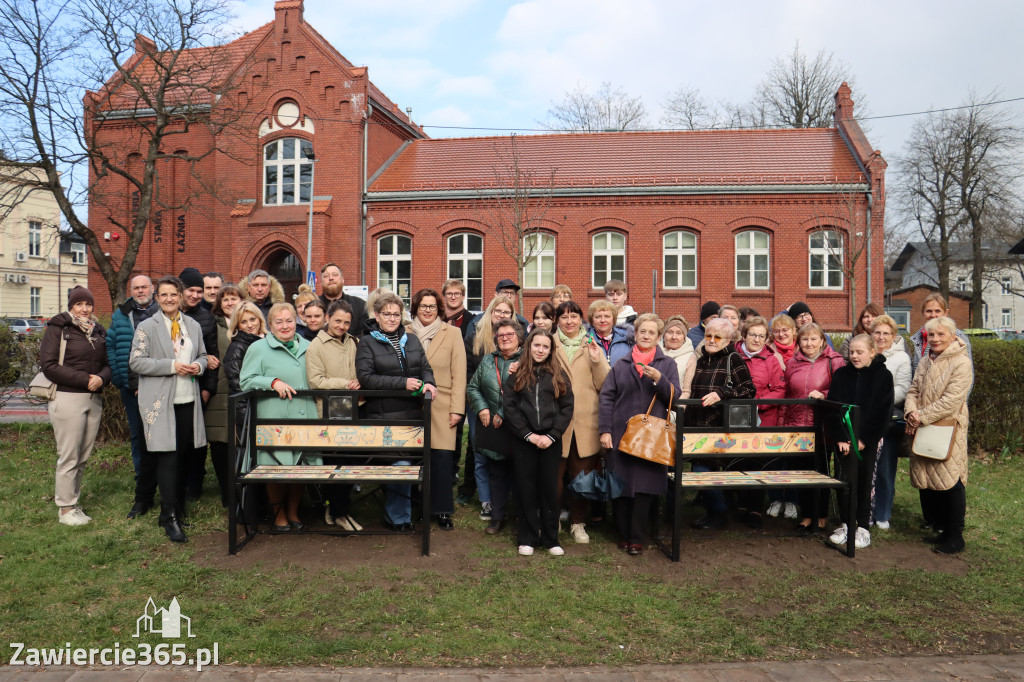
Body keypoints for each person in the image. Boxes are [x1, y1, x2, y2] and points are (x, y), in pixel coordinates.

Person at [129, 276, 209, 543]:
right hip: (160, 402)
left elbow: (202, 355)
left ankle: (175, 508)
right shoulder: (147, 327)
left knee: (184, 454)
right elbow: (137, 362)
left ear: (181, 296)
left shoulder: (193, 325)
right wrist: (170, 366)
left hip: (187, 398)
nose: (169, 299)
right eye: (163, 295)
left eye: (174, 294)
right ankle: (169, 514)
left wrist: (199, 366)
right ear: (157, 297)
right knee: (168, 457)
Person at [599, 314, 681, 556]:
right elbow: (606, 399)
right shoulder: (621, 364)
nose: (646, 336)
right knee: (621, 487)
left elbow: (675, 399)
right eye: (642, 331)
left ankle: (637, 537)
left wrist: (660, 380)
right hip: (621, 434)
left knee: (644, 489)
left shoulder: (667, 365)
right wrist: (605, 430)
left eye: (652, 333)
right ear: (635, 334)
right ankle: (623, 534)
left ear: (659, 337)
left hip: (651, 439)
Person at [355, 293, 437, 531]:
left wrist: (429, 382)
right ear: (377, 316)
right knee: (399, 464)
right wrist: (402, 384)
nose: (392, 319)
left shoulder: (411, 340)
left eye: (396, 314)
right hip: (383, 417)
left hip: (412, 415)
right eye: (386, 314)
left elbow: (425, 367)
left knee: (410, 465)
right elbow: (366, 378)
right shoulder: (367, 342)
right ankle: (397, 518)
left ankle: (403, 516)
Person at [240, 303, 318, 530]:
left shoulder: (309, 346)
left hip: (305, 415)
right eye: (279, 322)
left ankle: (294, 512)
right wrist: (271, 382)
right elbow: (246, 379)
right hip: (274, 417)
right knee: (276, 467)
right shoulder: (258, 348)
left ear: (297, 321)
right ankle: (279, 514)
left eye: (289, 320)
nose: (285, 326)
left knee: (301, 467)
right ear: (270, 325)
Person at [40, 286, 111, 526]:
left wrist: (101, 377)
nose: (84, 309)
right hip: (68, 397)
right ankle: (64, 509)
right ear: (71, 306)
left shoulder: (98, 330)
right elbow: (49, 365)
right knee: (69, 455)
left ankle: (73, 503)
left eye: (88, 304)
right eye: (79, 304)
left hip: (93, 398)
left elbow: (107, 363)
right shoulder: (58, 328)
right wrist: (85, 379)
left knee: (82, 455)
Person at [504, 328, 575, 556]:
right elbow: (510, 407)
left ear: (551, 350)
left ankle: (551, 538)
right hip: (525, 441)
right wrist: (528, 434)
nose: (541, 350)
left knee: (548, 489)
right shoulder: (516, 373)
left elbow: (567, 408)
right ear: (529, 347)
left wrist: (551, 435)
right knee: (526, 488)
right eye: (537, 346)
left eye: (545, 347)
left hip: (550, 441)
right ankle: (527, 537)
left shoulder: (559, 375)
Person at [905, 316, 973, 554]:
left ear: (953, 337)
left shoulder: (961, 363)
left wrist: (920, 415)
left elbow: (952, 401)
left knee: (951, 478)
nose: (935, 339)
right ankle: (941, 528)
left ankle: (956, 536)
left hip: (949, 427)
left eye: (940, 334)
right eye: (931, 335)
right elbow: (913, 389)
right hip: (923, 425)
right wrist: (911, 411)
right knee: (930, 475)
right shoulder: (925, 361)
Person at [686, 317, 756, 530]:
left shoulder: (733, 359)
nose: (712, 340)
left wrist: (722, 393)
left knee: (703, 471)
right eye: (709, 335)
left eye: (718, 337)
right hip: (698, 425)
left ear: (727, 341)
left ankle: (719, 513)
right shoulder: (700, 359)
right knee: (701, 470)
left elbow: (749, 389)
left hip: (721, 427)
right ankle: (714, 512)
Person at [825, 334, 894, 550]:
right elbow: (833, 407)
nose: (854, 356)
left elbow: (882, 412)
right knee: (843, 481)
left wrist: (864, 439)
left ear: (872, 352)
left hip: (867, 442)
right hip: (844, 442)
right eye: (851, 352)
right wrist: (840, 438)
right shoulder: (841, 375)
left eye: (860, 352)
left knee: (865, 483)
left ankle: (863, 526)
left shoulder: (883, 376)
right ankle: (846, 523)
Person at [552, 300, 611, 544]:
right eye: (564, 317)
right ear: (557, 320)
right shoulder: (549, 343)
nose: (569, 321)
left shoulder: (591, 345)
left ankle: (578, 523)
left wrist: (597, 359)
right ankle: (551, 518)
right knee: (553, 476)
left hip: (585, 422)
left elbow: (606, 384)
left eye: (573, 317)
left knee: (582, 477)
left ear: (580, 319)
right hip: (555, 422)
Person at [408, 288, 466, 531]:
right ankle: (415, 508)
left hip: (443, 403)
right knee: (413, 459)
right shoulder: (405, 331)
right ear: (416, 308)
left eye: (432, 306)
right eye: (423, 306)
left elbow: (460, 372)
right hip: (410, 402)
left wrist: (457, 410)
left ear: (439, 309)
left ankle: (442, 510)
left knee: (441, 460)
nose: (427, 310)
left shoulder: (452, 333)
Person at [779, 322, 845, 533]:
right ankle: (807, 515)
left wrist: (823, 394)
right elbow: (787, 395)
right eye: (805, 339)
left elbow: (841, 390)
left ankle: (822, 515)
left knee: (821, 470)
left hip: (823, 425)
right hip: (797, 424)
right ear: (798, 342)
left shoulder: (834, 361)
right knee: (803, 472)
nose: (809, 343)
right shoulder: (793, 363)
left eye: (813, 339)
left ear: (822, 341)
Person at [305, 299, 362, 532]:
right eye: (338, 320)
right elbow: (315, 381)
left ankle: (339, 508)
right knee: (335, 463)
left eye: (347, 322)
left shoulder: (354, 342)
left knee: (351, 462)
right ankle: (339, 511)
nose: (342, 326)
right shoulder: (316, 347)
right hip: (329, 412)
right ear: (327, 318)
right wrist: (346, 384)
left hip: (353, 410)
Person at [467, 318, 523, 535]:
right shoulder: (488, 360)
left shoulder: (528, 360)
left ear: (519, 338)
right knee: (497, 473)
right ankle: (497, 517)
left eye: (510, 334)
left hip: (519, 426)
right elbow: (473, 387)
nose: (505, 338)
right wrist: (482, 408)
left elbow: (527, 392)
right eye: (501, 335)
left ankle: (520, 516)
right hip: (494, 427)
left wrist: (501, 412)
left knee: (520, 474)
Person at [461, 295, 515, 517]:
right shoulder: (475, 335)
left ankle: (506, 500)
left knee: (508, 452)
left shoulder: (517, 339)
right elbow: (467, 373)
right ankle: (486, 500)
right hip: (480, 406)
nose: (501, 315)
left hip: (510, 406)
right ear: (490, 312)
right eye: (497, 311)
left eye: (506, 312)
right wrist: (481, 405)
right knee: (480, 451)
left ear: (512, 316)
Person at [107, 274, 159, 484]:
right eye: (136, 288)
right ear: (131, 291)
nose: (140, 291)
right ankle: (143, 479)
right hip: (128, 386)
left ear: (152, 288)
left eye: (144, 287)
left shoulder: (161, 312)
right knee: (138, 435)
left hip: (157, 385)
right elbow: (111, 344)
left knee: (158, 433)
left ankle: (162, 477)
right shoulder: (120, 315)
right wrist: (118, 376)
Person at [178, 267, 220, 501]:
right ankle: (174, 485)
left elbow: (213, 357)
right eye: (190, 290)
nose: (195, 295)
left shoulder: (206, 317)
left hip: (197, 388)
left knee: (196, 442)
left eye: (199, 291)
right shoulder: (165, 314)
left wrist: (208, 389)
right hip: (171, 387)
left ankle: (194, 487)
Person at [870, 315, 913, 530]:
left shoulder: (901, 358)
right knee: (868, 467)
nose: (881, 337)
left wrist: (878, 399)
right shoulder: (865, 353)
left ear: (894, 336)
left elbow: (904, 388)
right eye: (877, 332)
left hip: (888, 419)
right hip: (866, 418)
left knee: (885, 468)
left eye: (886, 333)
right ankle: (866, 510)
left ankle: (883, 513)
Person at [204, 283, 243, 507]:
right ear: (219, 304)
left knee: (241, 443)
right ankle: (228, 497)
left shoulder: (248, 325)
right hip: (219, 391)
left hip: (241, 390)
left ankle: (243, 494)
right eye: (225, 299)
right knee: (220, 445)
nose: (230, 303)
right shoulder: (212, 325)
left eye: (234, 299)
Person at [765, 313, 799, 518]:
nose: (781, 334)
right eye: (776, 331)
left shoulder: (801, 350)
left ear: (794, 331)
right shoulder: (769, 352)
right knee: (774, 455)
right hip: (775, 410)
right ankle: (775, 498)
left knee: (794, 456)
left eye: (785, 330)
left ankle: (793, 501)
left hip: (796, 411)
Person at [222, 302, 267, 444]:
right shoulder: (237, 348)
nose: (250, 325)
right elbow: (238, 386)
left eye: (253, 319)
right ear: (237, 325)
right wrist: (247, 418)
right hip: (249, 413)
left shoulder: (266, 341)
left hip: (265, 407)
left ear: (260, 319)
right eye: (244, 322)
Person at [908, 293, 973, 378]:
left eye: (937, 311)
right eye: (929, 311)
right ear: (923, 313)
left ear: (946, 313)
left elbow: (968, 374)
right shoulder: (917, 339)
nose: (933, 315)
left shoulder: (958, 336)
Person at [737, 316, 786, 427]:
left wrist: (757, 404)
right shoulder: (732, 357)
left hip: (764, 420)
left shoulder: (772, 360)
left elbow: (780, 390)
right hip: (736, 418)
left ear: (765, 339)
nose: (756, 340)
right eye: (752, 335)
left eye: (761, 336)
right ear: (744, 336)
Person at [319, 263, 367, 338]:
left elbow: (363, 336)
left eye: (335, 275)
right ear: (321, 282)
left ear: (342, 280)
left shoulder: (360, 306)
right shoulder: (313, 305)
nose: (331, 278)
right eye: (326, 276)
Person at [658, 315, 696, 399]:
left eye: (679, 333)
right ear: (663, 335)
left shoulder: (690, 357)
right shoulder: (655, 353)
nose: (674, 337)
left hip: (675, 407)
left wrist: (678, 410)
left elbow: (686, 391)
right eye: (670, 332)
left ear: (684, 337)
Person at [588, 299, 632, 365]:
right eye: (598, 317)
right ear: (592, 320)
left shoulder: (627, 338)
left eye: (607, 316)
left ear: (613, 319)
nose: (603, 320)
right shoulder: (585, 340)